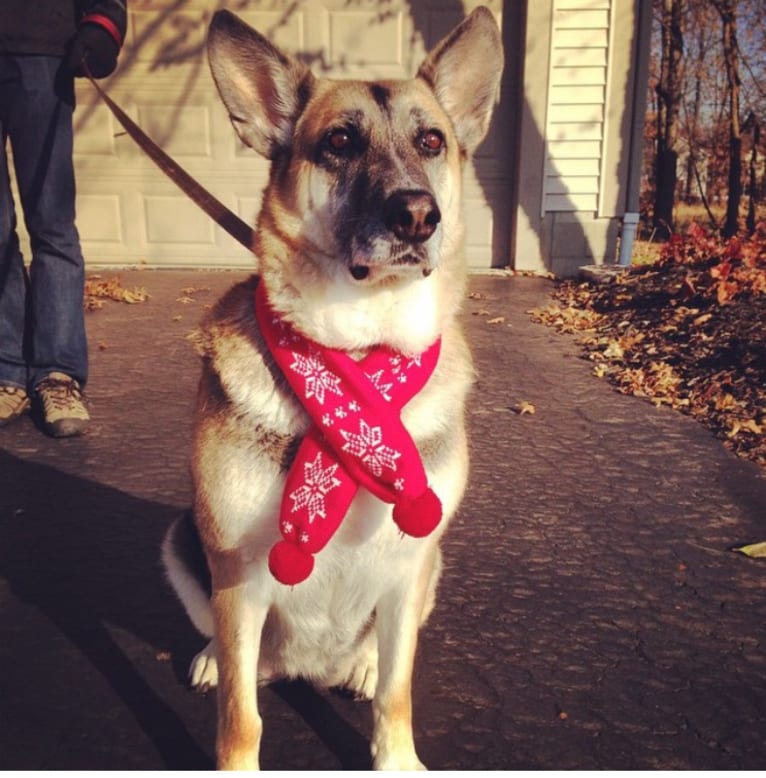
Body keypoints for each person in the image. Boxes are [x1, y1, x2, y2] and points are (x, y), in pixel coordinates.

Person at [0, 1, 127, 437]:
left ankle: (58, 374)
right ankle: (7, 372)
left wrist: (102, 26)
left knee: (51, 223)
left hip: (42, 53)